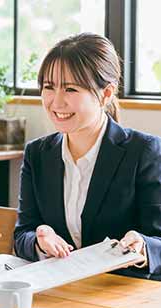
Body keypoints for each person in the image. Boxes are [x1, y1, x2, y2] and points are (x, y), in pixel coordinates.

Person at [14, 33, 161, 280]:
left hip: (125, 298)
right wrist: (40, 240)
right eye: (49, 87)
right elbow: (22, 234)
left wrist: (143, 246)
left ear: (106, 94)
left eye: (71, 89)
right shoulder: (37, 154)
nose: (56, 102)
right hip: (62, 293)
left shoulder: (145, 151)